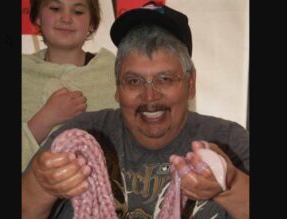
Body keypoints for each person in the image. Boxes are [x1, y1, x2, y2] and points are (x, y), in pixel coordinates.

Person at [22, 1, 249, 219]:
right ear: (117, 89)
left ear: (190, 84)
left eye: (165, 79)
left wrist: (230, 186)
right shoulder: (80, 136)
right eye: (133, 81)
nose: (149, 97)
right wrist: (41, 186)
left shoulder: (230, 142)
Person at [22, 0, 118, 171]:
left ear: (91, 23)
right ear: (37, 17)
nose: (66, 18)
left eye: (78, 12)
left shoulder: (113, 72)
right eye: (55, 8)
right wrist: (44, 120)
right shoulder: (22, 72)